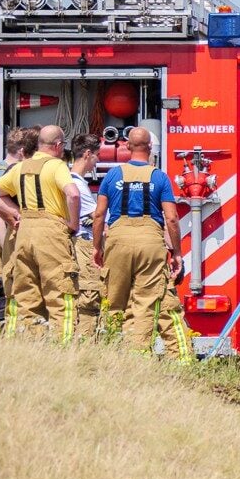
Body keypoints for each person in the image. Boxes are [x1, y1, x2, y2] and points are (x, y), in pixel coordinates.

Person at [0, 125, 80, 341]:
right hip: (51, 233)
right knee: (60, 293)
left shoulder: (20, 167)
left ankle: (30, 344)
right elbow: (73, 194)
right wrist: (72, 224)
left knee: (27, 296)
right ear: (57, 146)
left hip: (24, 233)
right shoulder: (57, 165)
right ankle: (62, 346)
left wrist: (16, 214)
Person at [92, 127, 182, 351]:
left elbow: (99, 215)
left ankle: (110, 350)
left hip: (118, 240)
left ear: (127, 147)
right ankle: (138, 354)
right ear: (150, 148)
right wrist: (177, 252)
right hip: (150, 243)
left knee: (114, 301)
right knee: (145, 302)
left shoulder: (113, 175)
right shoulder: (159, 177)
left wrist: (96, 248)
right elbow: (171, 218)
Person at [0, 127, 37, 326]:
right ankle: (3, 331)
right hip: (3, 237)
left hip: (8, 234)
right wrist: (7, 250)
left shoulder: (10, 170)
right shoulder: (3, 173)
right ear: (23, 151)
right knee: (2, 286)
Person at [68, 134, 103, 338]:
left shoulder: (70, 181)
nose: (97, 161)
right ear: (87, 154)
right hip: (84, 245)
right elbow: (96, 216)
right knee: (89, 299)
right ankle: (86, 341)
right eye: (97, 156)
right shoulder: (78, 185)